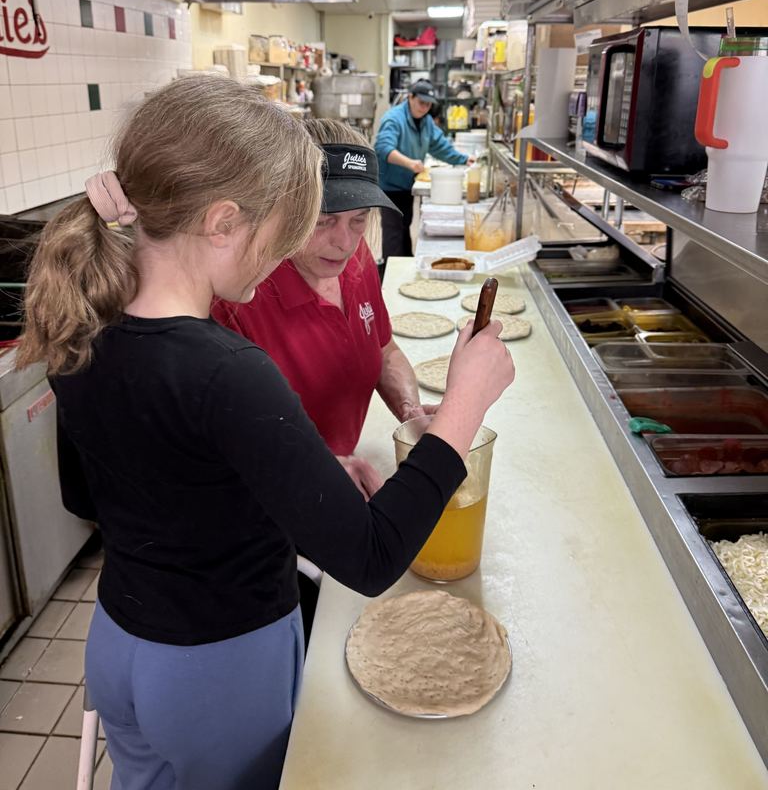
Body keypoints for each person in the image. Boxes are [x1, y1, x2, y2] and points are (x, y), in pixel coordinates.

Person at [17, 75, 514, 790]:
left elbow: (87, 493)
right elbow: (371, 558)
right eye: (285, 225)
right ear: (221, 222)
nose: (288, 249)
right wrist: (466, 403)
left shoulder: (85, 324)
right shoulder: (228, 371)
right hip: (215, 669)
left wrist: (285, 480)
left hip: (122, 648)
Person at [214, 118, 433, 499]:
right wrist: (314, 470)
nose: (344, 242)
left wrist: (411, 413)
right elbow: (223, 441)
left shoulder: (357, 259)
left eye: (359, 220)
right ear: (285, 210)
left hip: (341, 480)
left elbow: (383, 348)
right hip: (272, 504)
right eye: (324, 220)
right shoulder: (240, 294)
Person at [374, 78, 470, 263]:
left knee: (405, 226)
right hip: (390, 186)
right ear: (410, 97)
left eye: (428, 104)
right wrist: (410, 163)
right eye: (421, 102)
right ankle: (390, 272)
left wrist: (464, 159)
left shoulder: (425, 122)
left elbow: (440, 147)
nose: (425, 107)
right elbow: (384, 148)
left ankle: (405, 265)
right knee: (393, 231)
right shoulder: (394, 118)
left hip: (407, 184)